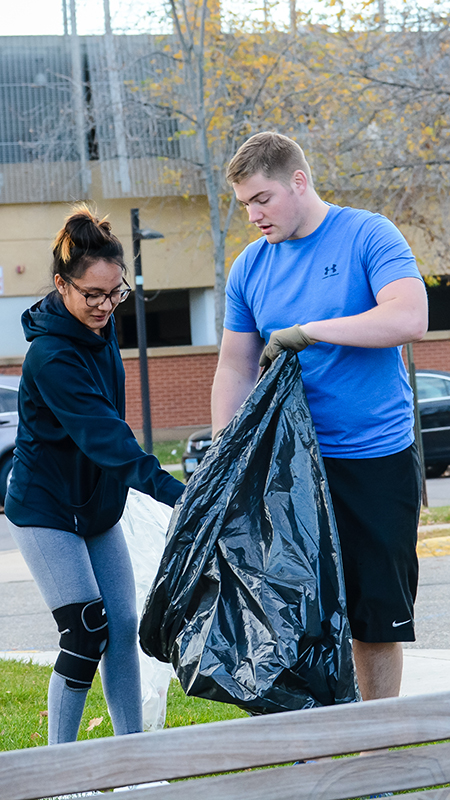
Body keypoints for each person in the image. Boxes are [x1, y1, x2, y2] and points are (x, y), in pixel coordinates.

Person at [211, 131, 428, 702]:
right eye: (244, 205)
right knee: (293, 615)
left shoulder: (367, 234)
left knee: (373, 616)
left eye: (262, 199)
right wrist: (219, 453)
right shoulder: (250, 268)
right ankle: (313, 745)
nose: (254, 215)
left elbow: (408, 317)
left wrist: (310, 331)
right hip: (287, 472)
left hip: (372, 458)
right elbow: (234, 367)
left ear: (298, 182)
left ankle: (373, 750)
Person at [5, 205, 185, 745]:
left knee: (123, 630)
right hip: (46, 509)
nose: (106, 306)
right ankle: (59, 769)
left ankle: (132, 760)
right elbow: (106, 437)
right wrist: (183, 495)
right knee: (85, 631)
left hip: (98, 508)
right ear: (63, 285)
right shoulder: (51, 357)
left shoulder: (99, 329)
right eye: (92, 295)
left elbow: (111, 430)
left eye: (116, 293)